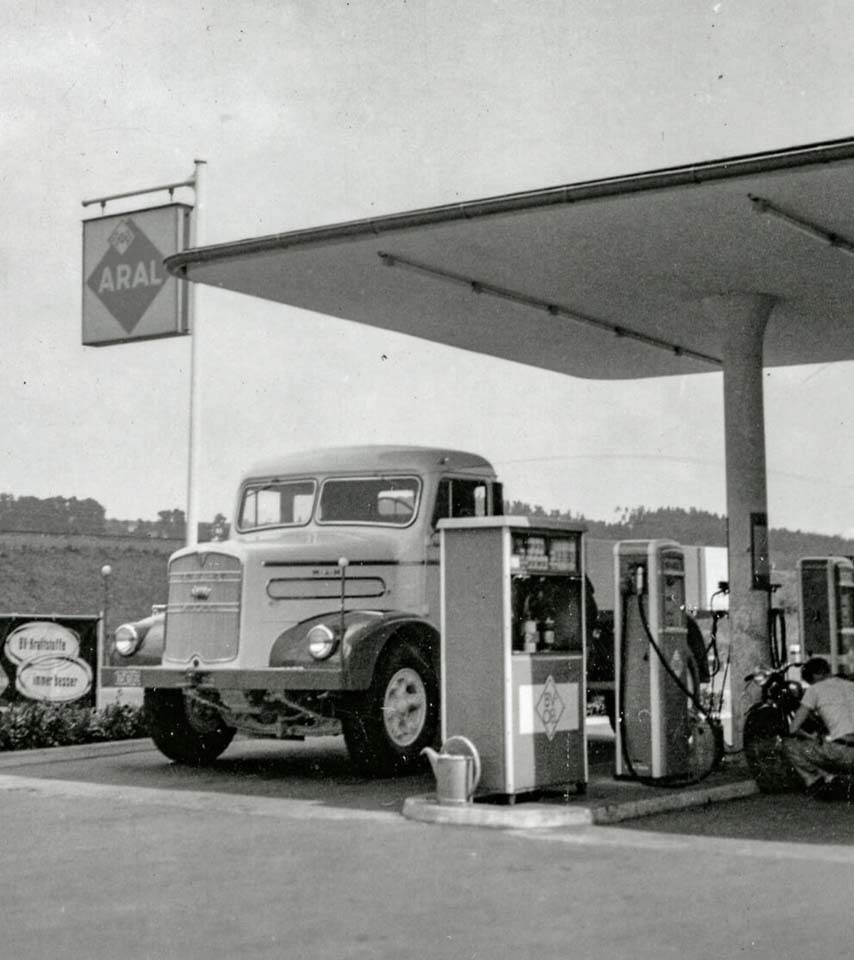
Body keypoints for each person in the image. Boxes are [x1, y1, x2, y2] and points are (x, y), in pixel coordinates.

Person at [783, 657, 854, 801]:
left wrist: (810, 737)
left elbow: (793, 729)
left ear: (815, 676)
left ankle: (818, 783)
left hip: (842, 752)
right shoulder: (850, 685)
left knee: (789, 745)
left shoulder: (814, 690)